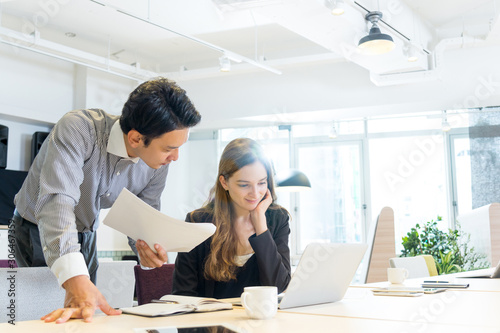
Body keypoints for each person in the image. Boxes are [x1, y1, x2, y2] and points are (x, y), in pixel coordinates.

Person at [10, 77, 201, 323]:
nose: (174, 157)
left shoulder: (158, 163)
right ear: (135, 139)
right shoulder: (79, 129)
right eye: (168, 149)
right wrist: (75, 277)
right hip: (34, 226)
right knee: (39, 315)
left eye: (178, 148)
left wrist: (146, 250)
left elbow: (143, 218)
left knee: (83, 313)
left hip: (86, 231)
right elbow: (57, 202)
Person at [172, 138, 291, 298]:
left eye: (262, 183)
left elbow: (279, 286)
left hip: (261, 321)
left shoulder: (278, 219)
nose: (255, 194)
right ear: (224, 182)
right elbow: (183, 294)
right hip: (209, 321)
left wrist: (261, 228)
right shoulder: (197, 222)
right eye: (244, 185)